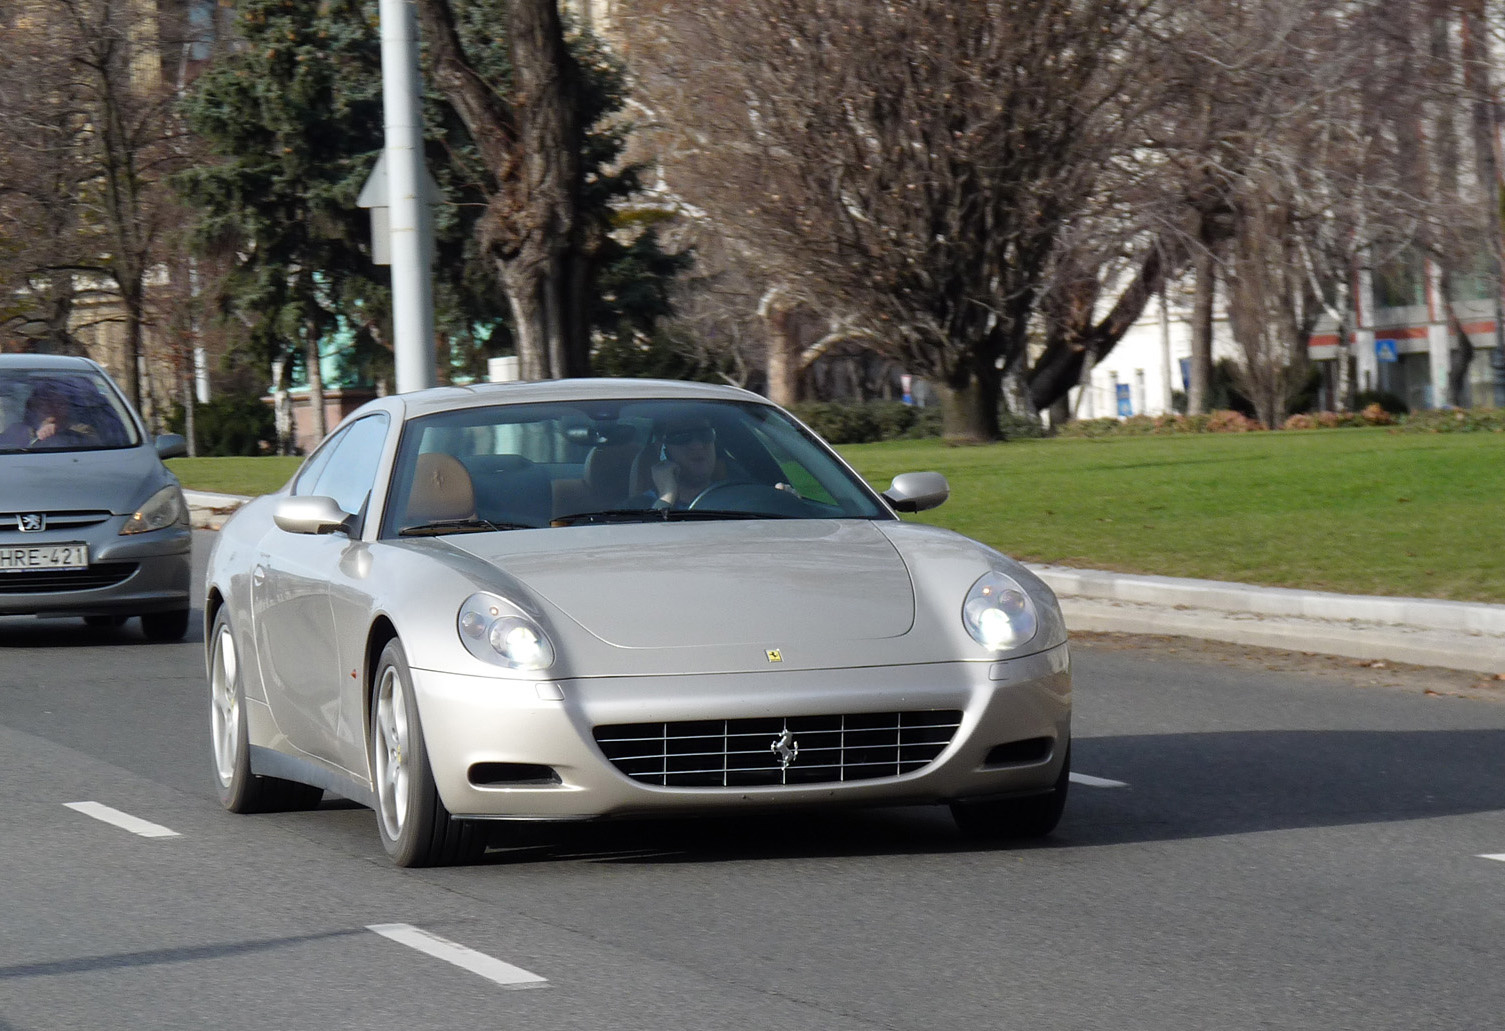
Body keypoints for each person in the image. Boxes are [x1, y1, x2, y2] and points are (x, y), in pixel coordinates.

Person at [644, 416, 727, 510]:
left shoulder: (738, 499)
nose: (697, 446)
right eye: (682, 437)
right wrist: (666, 497)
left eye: (705, 434)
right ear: (663, 450)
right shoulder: (635, 509)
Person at [0, 380, 96, 449]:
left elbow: (96, 445)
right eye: (45, 404)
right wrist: (36, 437)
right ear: (35, 407)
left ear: (67, 407)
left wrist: (59, 432)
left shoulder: (82, 431)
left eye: (59, 404)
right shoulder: (17, 431)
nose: (52, 409)